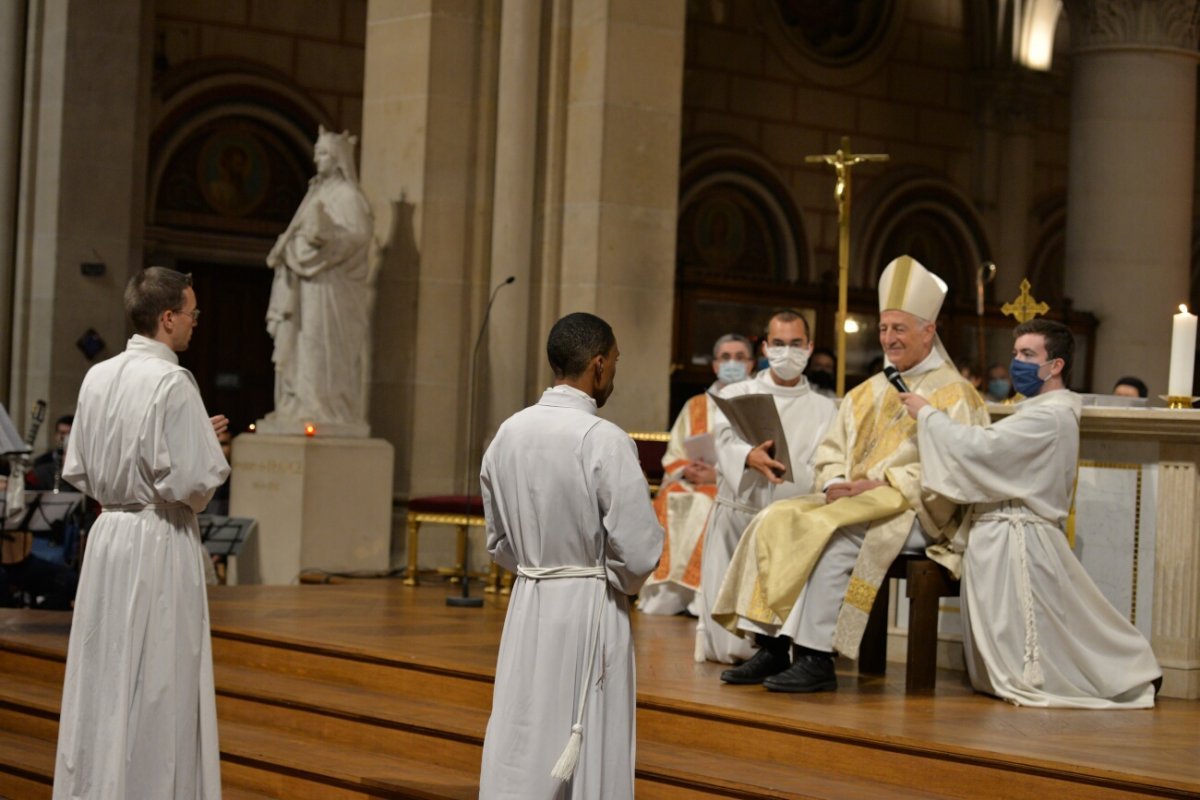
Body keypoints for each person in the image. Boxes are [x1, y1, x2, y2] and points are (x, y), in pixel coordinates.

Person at [713, 255, 989, 691]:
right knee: (777, 517)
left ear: (928, 330)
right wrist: (834, 482)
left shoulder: (955, 394)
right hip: (858, 502)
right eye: (883, 328)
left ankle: (817, 656)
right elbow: (831, 451)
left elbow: (963, 466)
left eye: (899, 328)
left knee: (837, 536)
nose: (888, 338)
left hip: (921, 510)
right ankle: (769, 645)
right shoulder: (868, 390)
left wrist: (884, 485)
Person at [900, 319, 1161, 707]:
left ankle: (1132, 673)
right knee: (1034, 638)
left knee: (1044, 640)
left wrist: (927, 415)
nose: (1016, 362)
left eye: (1027, 354)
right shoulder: (1035, 411)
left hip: (1019, 536)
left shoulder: (1051, 415)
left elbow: (982, 451)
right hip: (1000, 532)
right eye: (1015, 353)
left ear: (1054, 365)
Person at [53, 267, 230, 799]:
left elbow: (82, 467)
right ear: (168, 317)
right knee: (157, 678)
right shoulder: (173, 381)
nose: (196, 323)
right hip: (157, 538)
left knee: (105, 672)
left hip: (109, 536)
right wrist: (210, 447)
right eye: (192, 314)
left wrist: (191, 438)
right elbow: (195, 487)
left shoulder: (98, 376)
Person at [478, 312, 663, 799]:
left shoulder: (507, 434)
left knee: (525, 726)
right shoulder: (604, 439)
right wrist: (602, 575)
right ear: (598, 366)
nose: (615, 374)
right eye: (616, 362)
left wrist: (539, 568)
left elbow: (498, 541)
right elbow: (639, 552)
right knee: (586, 732)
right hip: (589, 606)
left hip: (529, 601)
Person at [696, 310, 837, 664]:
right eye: (778, 344)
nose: (786, 352)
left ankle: (774, 656)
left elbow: (831, 461)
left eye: (795, 344)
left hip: (791, 527)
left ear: (809, 347)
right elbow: (724, 439)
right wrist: (748, 457)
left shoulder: (827, 408)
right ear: (764, 347)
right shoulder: (739, 392)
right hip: (739, 516)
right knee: (728, 639)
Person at [263, 126, 374, 434]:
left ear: (338, 158)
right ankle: (299, 404)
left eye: (323, 152)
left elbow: (359, 236)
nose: (317, 158)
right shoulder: (316, 192)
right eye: (316, 151)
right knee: (301, 342)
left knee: (321, 344)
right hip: (306, 285)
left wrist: (324, 237)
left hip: (331, 288)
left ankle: (322, 406)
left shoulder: (349, 196)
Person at [639, 333, 753, 617]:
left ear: (751, 364)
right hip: (690, 482)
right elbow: (673, 452)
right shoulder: (696, 405)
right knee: (669, 498)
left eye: (739, 357)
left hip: (731, 487)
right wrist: (686, 468)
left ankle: (701, 597)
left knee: (704, 504)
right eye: (725, 358)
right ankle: (669, 594)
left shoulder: (756, 405)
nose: (732, 363)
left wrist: (717, 475)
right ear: (714, 365)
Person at [24, 415, 74, 492]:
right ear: (56, 435)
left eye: (69, 434)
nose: (66, 438)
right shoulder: (41, 461)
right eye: (62, 433)